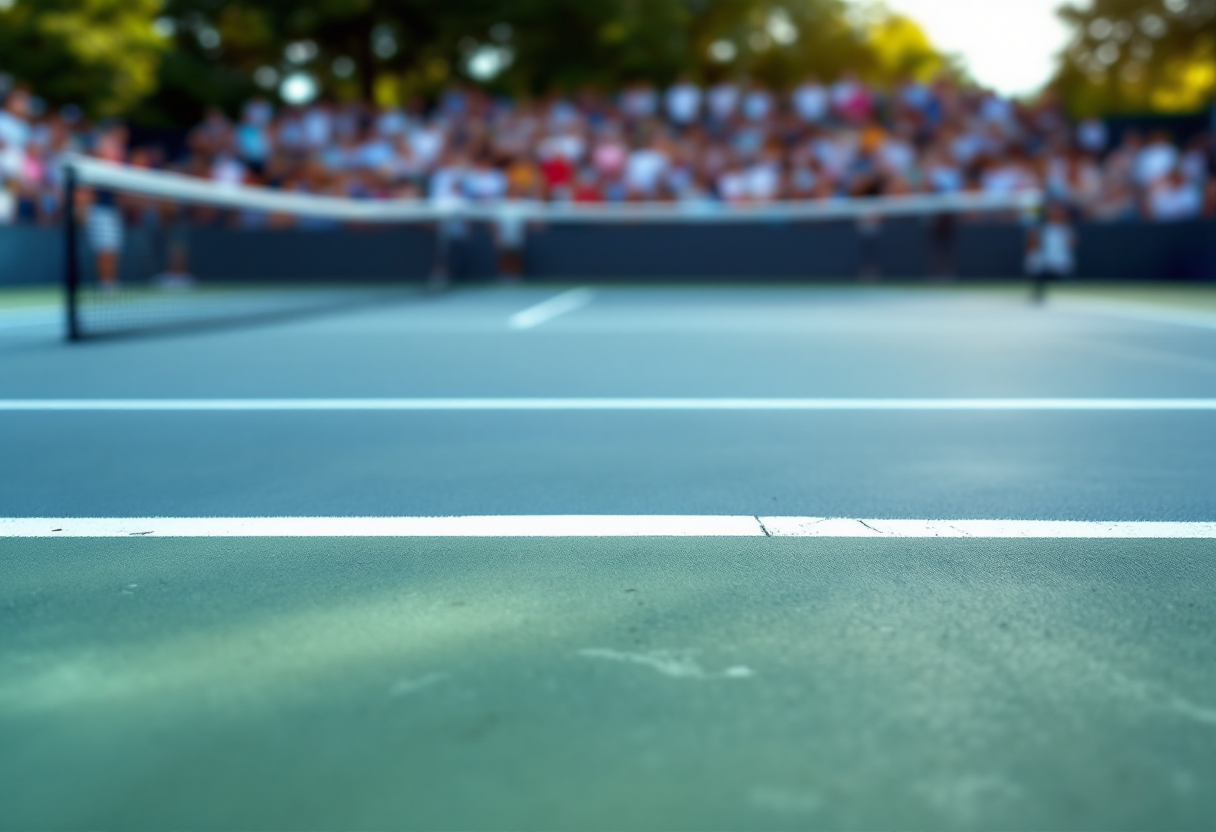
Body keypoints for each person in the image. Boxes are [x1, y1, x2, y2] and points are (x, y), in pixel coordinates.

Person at [1026, 202, 1075, 304]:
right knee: (1035, 259)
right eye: (1053, 211)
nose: (1056, 213)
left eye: (1059, 211)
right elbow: (1032, 246)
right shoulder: (1040, 229)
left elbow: (1071, 245)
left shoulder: (1066, 229)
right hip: (1043, 264)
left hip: (1060, 265)